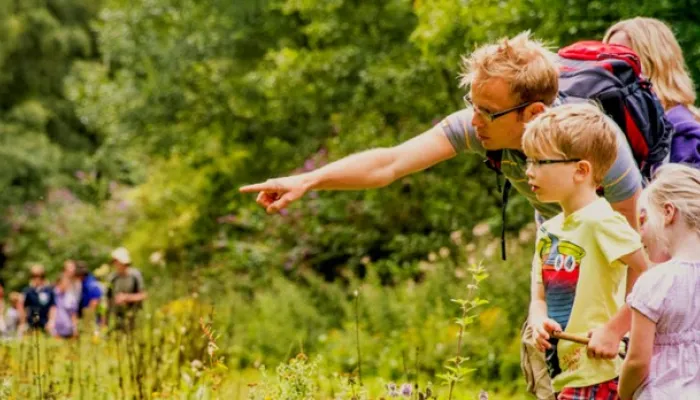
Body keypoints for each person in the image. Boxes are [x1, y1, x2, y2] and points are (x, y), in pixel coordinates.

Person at [240, 31, 647, 399]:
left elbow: (639, 261)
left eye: (487, 111)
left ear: (533, 112)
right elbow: (390, 163)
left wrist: (616, 328)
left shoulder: (598, 152)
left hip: (618, 260)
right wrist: (308, 182)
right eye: (473, 104)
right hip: (559, 251)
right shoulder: (484, 126)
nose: (474, 121)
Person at [524, 103, 648, 399]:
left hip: (600, 373)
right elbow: (538, 298)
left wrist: (615, 329)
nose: (529, 171)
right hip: (563, 375)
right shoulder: (548, 230)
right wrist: (538, 320)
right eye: (528, 160)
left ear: (581, 170)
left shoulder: (601, 221)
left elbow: (649, 274)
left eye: (540, 162)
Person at [618, 164, 700, 399]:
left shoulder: (655, 282)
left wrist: (623, 395)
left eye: (642, 221)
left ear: (667, 212)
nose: (639, 234)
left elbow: (637, 362)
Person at [604, 17, 700, 168]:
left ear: (655, 64)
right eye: (607, 58)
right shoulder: (621, 132)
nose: (612, 70)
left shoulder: (685, 137)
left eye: (623, 62)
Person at [106, 247, 147, 331]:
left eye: (117, 261)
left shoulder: (135, 275)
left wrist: (126, 297)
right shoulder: (112, 278)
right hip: (117, 316)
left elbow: (143, 295)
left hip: (134, 314)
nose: (116, 264)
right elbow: (108, 299)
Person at [18, 264, 56, 335]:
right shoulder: (27, 291)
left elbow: (53, 307)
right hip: (31, 323)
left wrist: (51, 321)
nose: (37, 278)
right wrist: (22, 322)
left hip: (45, 323)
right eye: (34, 276)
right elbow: (22, 306)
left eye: (40, 276)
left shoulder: (49, 290)